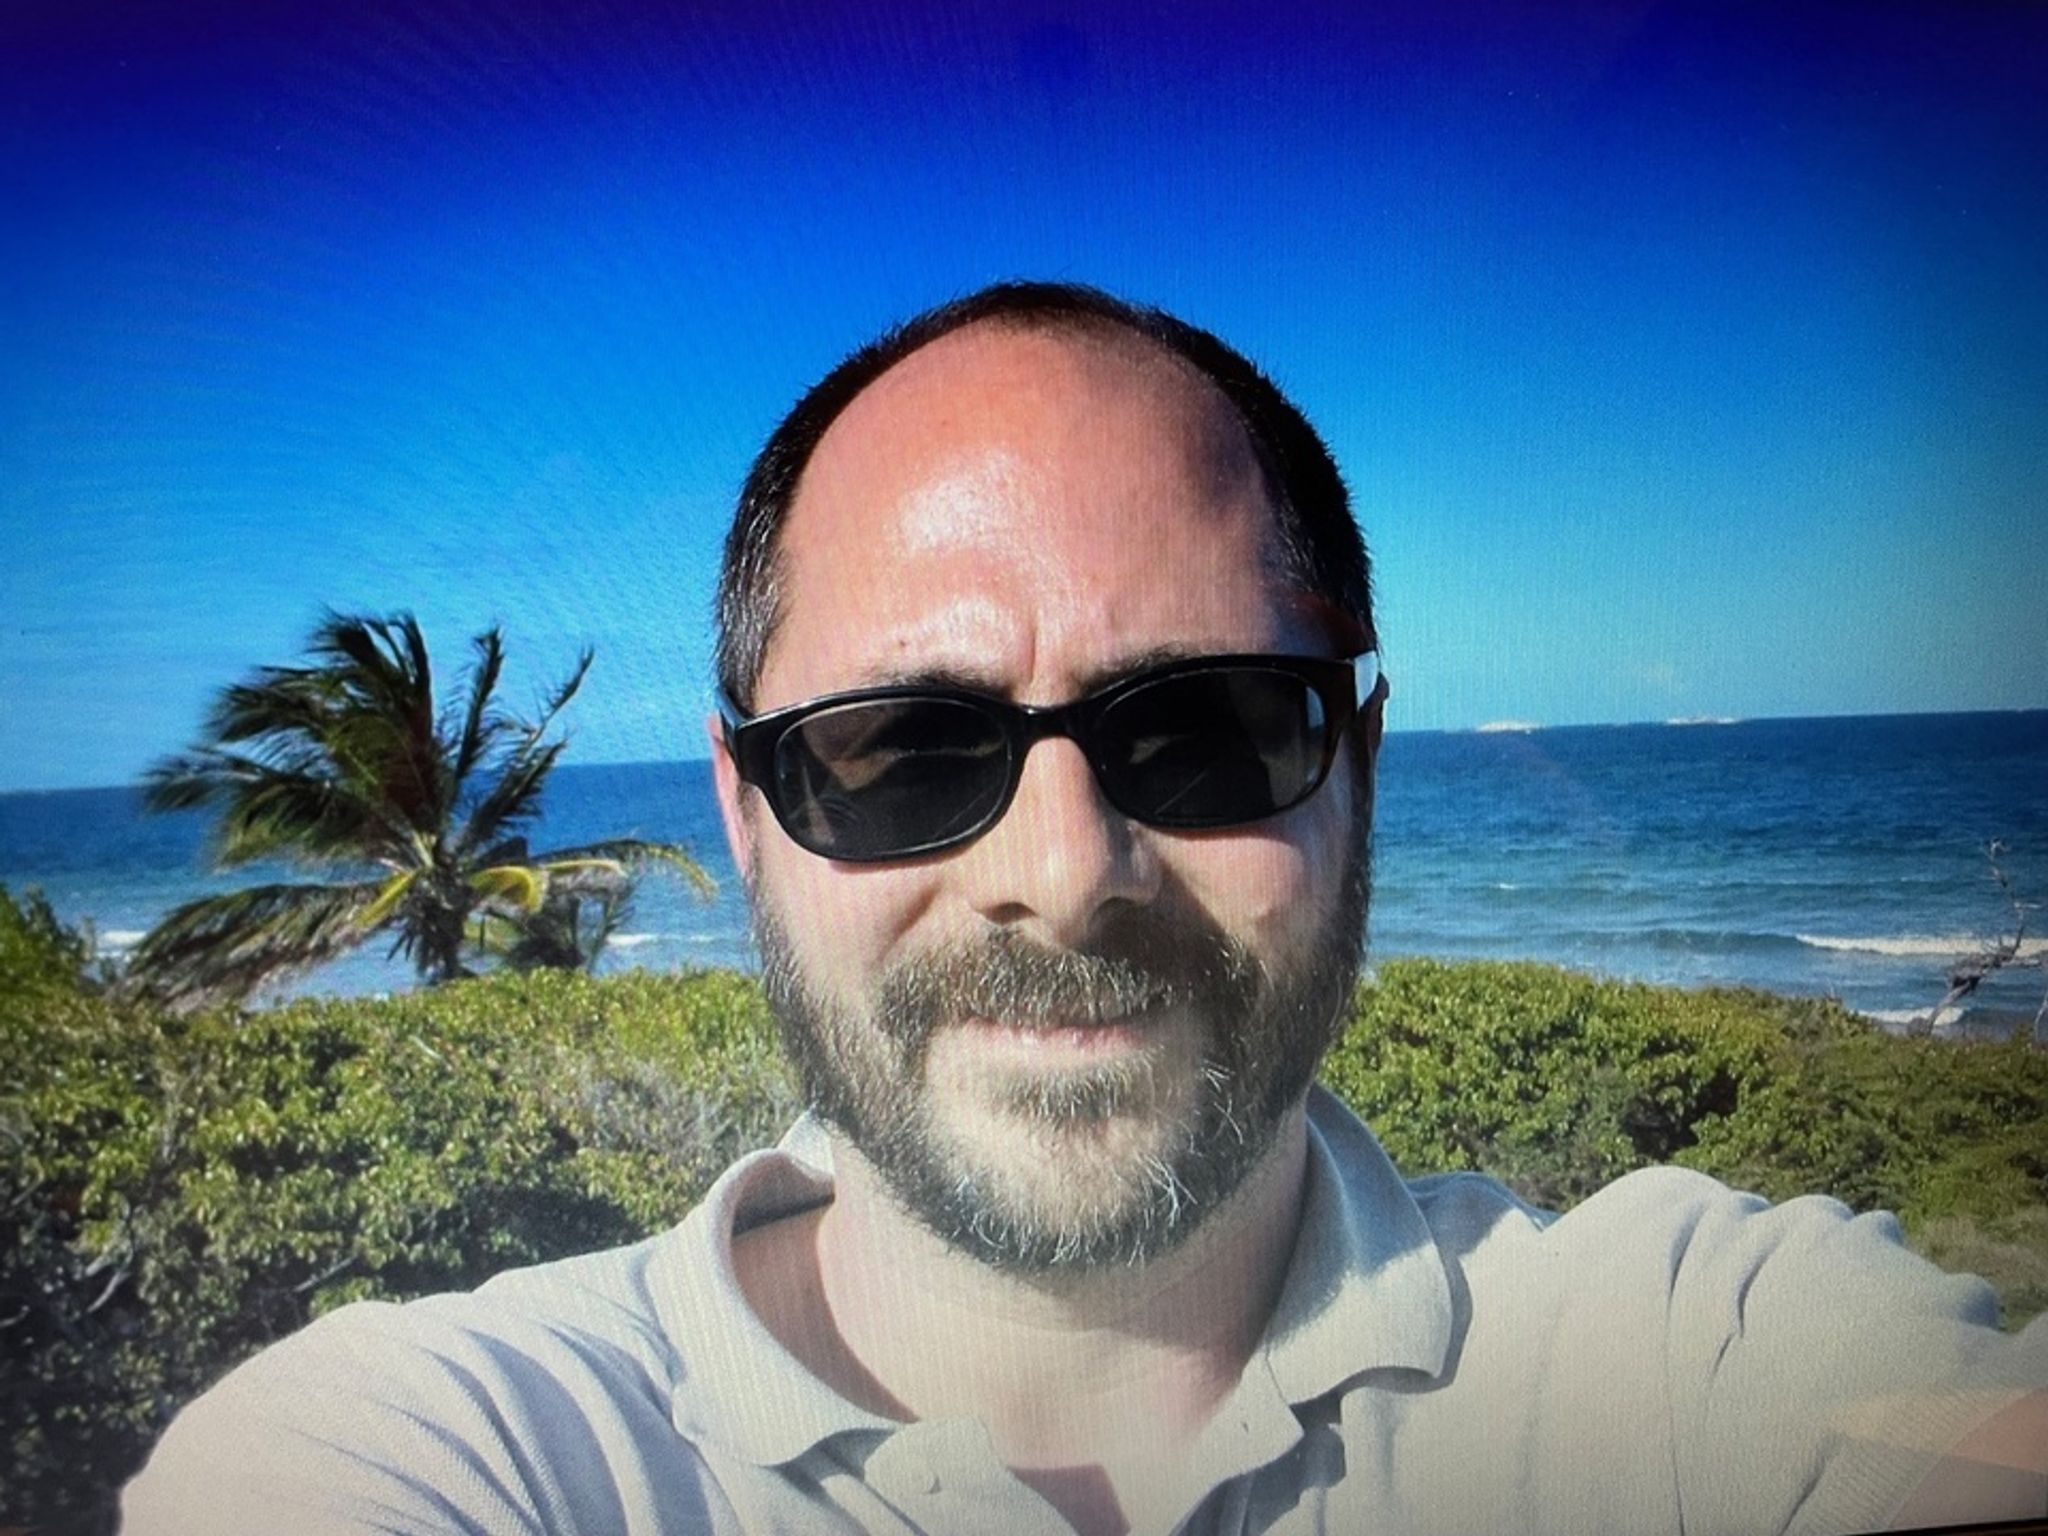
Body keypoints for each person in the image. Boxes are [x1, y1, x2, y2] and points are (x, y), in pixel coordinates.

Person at [124, 282, 2046, 1535]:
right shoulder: (451, 1453)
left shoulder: (1692, 1360)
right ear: (748, 814)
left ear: (1358, 770)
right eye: (904, 750)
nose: (1063, 872)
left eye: (1205, 729)